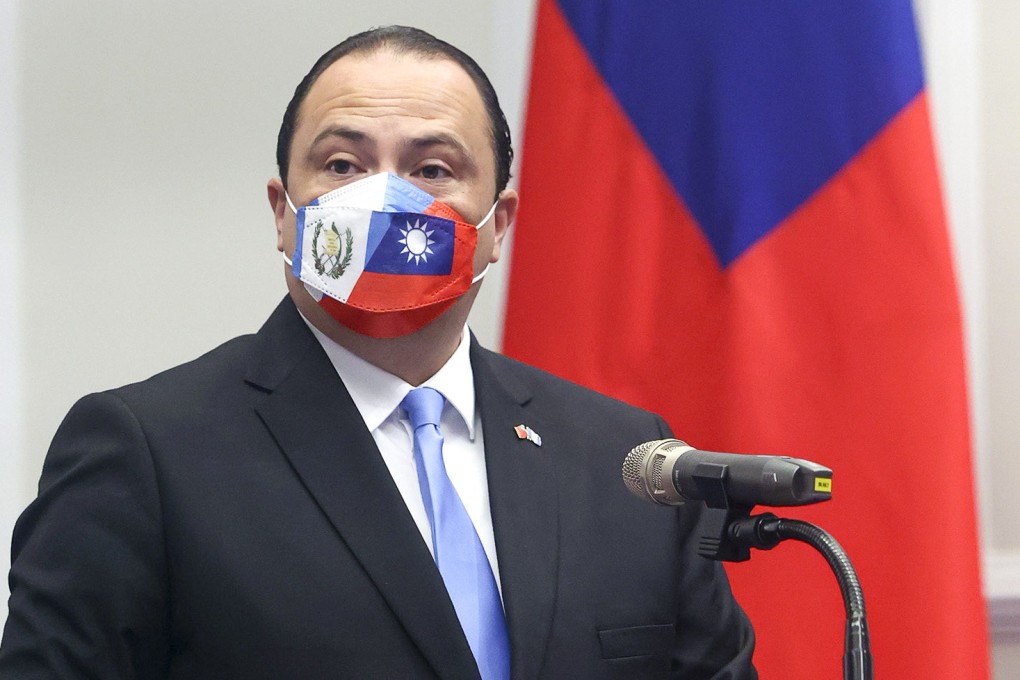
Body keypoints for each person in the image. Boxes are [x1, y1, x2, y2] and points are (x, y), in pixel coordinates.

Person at [0, 26, 756, 679]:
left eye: (432, 170)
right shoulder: (146, 453)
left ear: (500, 223)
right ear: (282, 213)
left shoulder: (626, 462)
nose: (383, 199)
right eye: (342, 166)